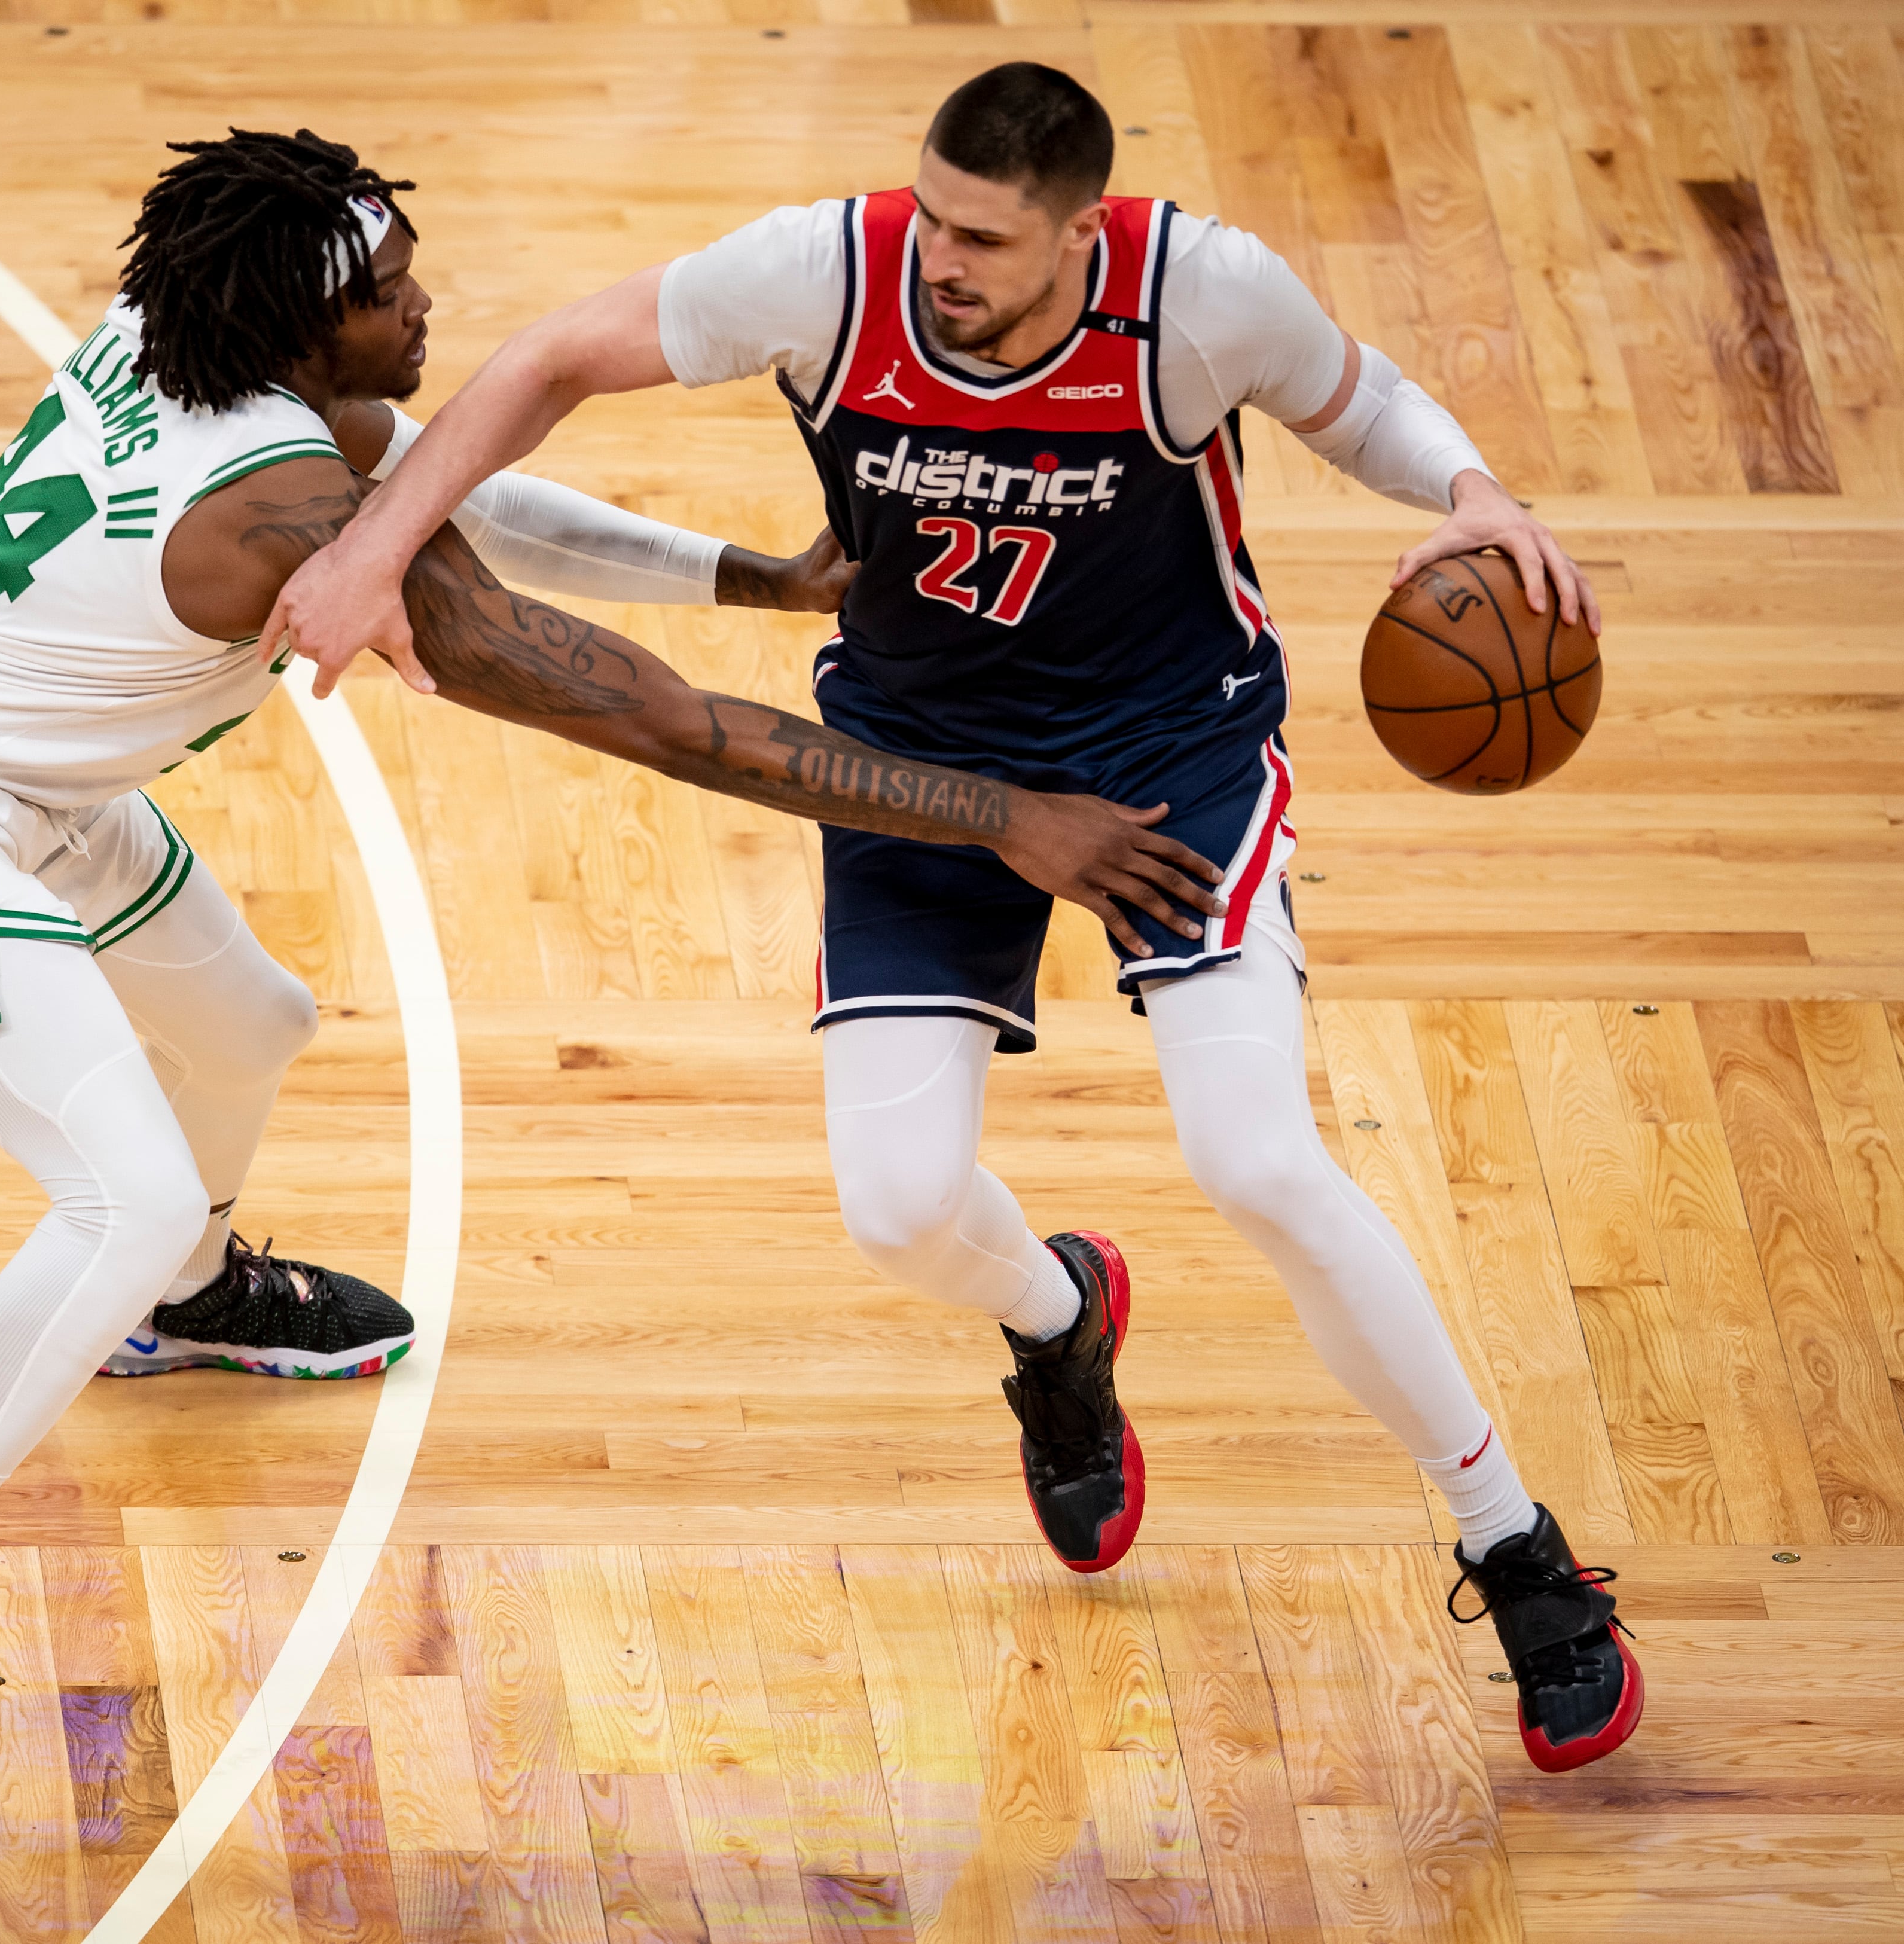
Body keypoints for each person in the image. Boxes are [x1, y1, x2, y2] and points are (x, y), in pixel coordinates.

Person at [0, 127, 1232, 1841]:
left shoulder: (185, 331)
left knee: (248, 1020)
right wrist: (998, 816)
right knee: (113, 1190)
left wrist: (750, 573)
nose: (423, 303)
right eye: (384, 293)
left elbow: (455, 482)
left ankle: (187, 1295)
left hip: (21, 777)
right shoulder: (273, 505)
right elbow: (658, 722)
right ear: (296, 328)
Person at [262, 69, 1640, 1774]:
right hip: (916, 762)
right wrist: (376, 547)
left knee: (1259, 1158)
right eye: (929, 215)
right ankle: (1060, 1320)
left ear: (1082, 231)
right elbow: (546, 358)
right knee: (896, 1206)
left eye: (984, 239)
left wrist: (1474, 493)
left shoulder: (1197, 295)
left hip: (1166, 755)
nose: (941, 262)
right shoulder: (824, 277)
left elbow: (1353, 401)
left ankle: (1516, 1548)